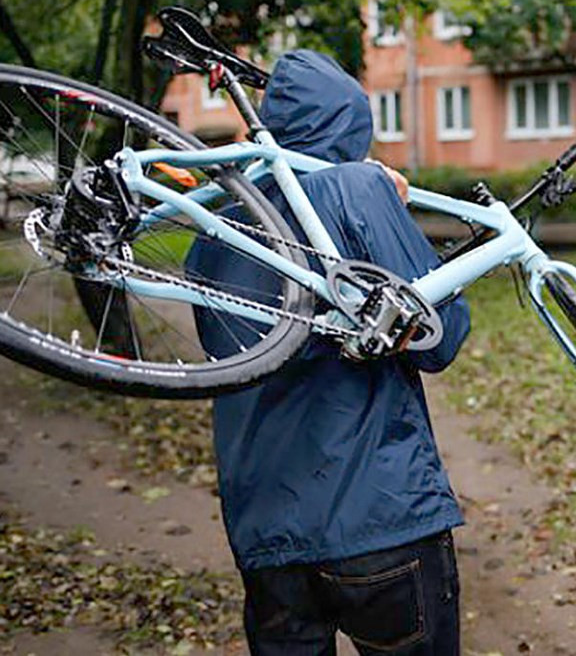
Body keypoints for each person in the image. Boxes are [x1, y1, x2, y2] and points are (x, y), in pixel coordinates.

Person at [185, 49, 471, 655]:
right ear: (353, 122)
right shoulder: (356, 186)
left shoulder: (217, 230)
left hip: (267, 539)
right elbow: (441, 335)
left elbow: (236, 353)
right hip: (381, 518)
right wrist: (390, 208)